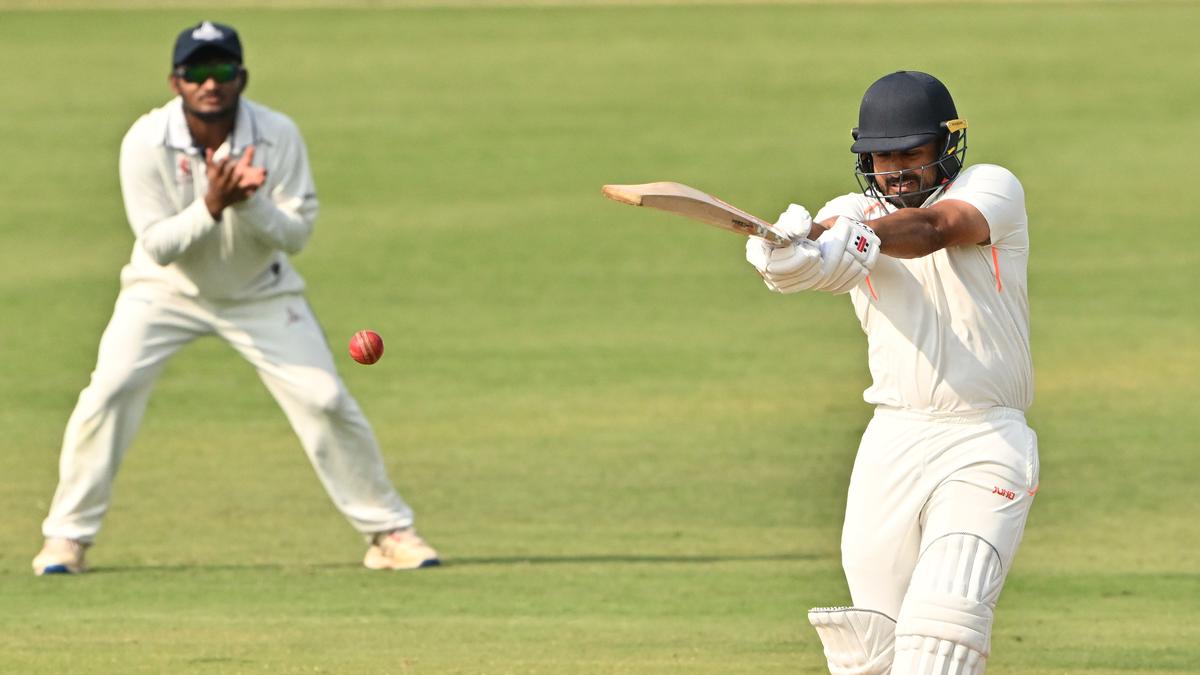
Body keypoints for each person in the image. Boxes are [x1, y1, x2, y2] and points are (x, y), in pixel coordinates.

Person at [33, 21, 439, 575]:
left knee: (324, 399)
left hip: (260, 291)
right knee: (109, 391)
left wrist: (249, 203)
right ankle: (66, 539)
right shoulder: (146, 141)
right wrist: (213, 204)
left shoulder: (278, 134)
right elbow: (157, 246)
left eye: (222, 71)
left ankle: (389, 533)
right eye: (197, 73)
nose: (211, 84)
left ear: (241, 77)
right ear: (176, 82)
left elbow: (296, 236)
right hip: (164, 292)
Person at [744, 71, 1037, 674]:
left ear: (946, 148)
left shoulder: (992, 188)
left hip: (984, 440)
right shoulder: (850, 211)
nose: (897, 168)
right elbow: (819, 266)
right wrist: (786, 255)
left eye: (912, 153)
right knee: (870, 648)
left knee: (942, 629)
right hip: (892, 443)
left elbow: (935, 230)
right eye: (882, 156)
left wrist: (852, 238)